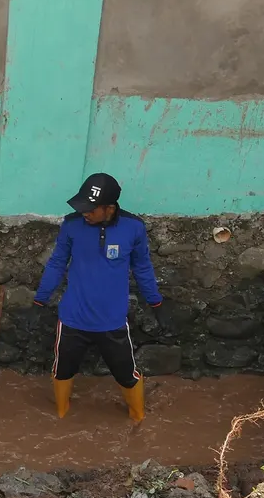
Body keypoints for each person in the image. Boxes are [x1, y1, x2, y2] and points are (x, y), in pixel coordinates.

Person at [34, 173, 173, 422]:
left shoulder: (133, 228)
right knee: (63, 371)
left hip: (112, 321)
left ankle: (138, 418)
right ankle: (61, 416)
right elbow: (57, 263)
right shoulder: (71, 225)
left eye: (90, 208)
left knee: (126, 375)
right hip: (72, 319)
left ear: (109, 207)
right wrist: (40, 299)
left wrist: (156, 303)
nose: (85, 212)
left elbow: (142, 267)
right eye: (83, 207)